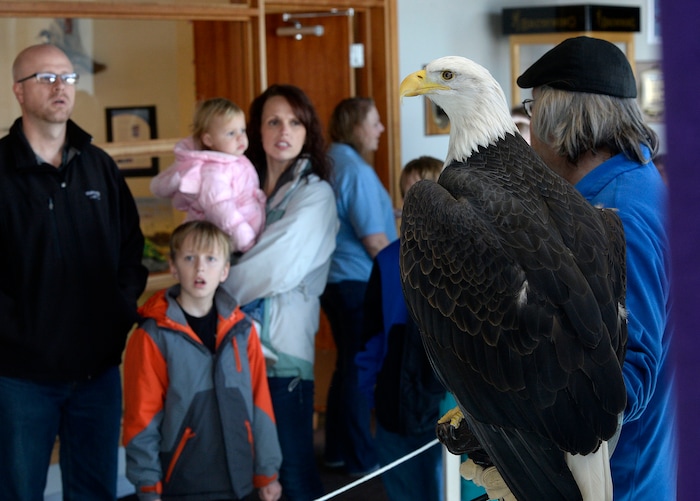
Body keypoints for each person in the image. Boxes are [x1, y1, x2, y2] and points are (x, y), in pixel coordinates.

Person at [517, 36, 676, 501]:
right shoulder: (635, 184)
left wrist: (529, 413)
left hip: (619, 480)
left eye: (533, 108)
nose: (529, 128)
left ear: (558, 117)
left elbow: (631, 369)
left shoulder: (616, 213)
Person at [0, 43, 148, 500]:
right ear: (18, 93)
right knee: (19, 492)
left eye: (66, 77)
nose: (60, 87)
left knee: (94, 492)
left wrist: (118, 313)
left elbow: (130, 249)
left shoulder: (99, 166)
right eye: (45, 78)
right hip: (20, 378)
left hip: (97, 375)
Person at [221, 84, 338, 501]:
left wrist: (211, 291)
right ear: (256, 129)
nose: (283, 130)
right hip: (235, 352)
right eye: (273, 121)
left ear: (308, 131)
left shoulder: (315, 195)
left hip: (282, 358)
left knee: (293, 474)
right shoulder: (244, 191)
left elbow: (273, 268)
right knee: (250, 475)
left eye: (294, 121)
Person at [122, 220, 282, 501]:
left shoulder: (242, 330)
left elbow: (260, 402)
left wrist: (267, 471)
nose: (200, 268)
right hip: (183, 481)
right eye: (189, 258)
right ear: (173, 266)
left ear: (224, 271)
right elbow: (142, 415)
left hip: (240, 480)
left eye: (210, 259)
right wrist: (147, 485)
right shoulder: (152, 335)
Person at [356, 156, 445, 501]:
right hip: (394, 398)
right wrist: (371, 394)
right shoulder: (386, 261)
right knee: (404, 485)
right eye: (410, 197)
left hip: (444, 401)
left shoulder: (471, 259)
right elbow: (370, 338)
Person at [320, 97, 397, 476]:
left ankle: (336, 450)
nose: (381, 129)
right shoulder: (356, 170)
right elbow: (374, 240)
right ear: (355, 126)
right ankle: (361, 459)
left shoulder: (331, 161)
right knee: (356, 369)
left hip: (334, 281)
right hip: (356, 282)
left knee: (344, 368)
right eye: (375, 121)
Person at [150, 97, 266, 253]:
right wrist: (244, 238)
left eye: (242, 130)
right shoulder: (214, 172)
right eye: (231, 133)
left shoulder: (235, 160)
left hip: (242, 237)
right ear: (209, 140)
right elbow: (220, 208)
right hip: (225, 241)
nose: (240, 137)